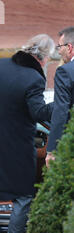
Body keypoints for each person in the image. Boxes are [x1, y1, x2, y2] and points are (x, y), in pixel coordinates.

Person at [0, 34, 55, 233]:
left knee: (16, 196)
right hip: (18, 146)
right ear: (43, 58)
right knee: (24, 197)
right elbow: (38, 113)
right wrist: (63, 102)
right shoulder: (34, 78)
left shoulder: (0, 64)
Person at [46, 26, 74, 166]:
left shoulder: (65, 72)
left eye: (60, 46)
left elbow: (61, 111)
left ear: (69, 47)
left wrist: (52, 151)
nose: (59, 50)